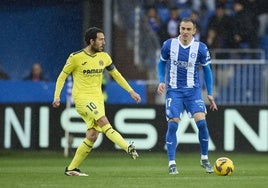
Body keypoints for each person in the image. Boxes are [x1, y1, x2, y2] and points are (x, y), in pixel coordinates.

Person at [52, 27, 141, 176]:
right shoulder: (75, 57)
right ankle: (127, 147)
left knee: (92, 135)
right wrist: (57, 96)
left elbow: (116, 75)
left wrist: (131, 91)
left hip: (98, 99)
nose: (104, 42)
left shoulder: (104, 57)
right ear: (91, 41)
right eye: (100, 39)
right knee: (103, 121)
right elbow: (62, 76)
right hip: (82, 99)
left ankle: (72, 169)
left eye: (104, 39)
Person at [157, 18, 218, 175]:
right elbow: (161, 62)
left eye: (188, 29)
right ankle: (172, 163)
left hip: (193, 92)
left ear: (194, 30)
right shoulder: (169, 45)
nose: (184, 31)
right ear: (179, 29)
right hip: (174, 91)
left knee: (202, 124)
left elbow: (207, 71)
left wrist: (209, 93)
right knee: (172, 125)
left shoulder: (201, 48)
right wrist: (160, 81)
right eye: (182, 28)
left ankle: (204, 158)